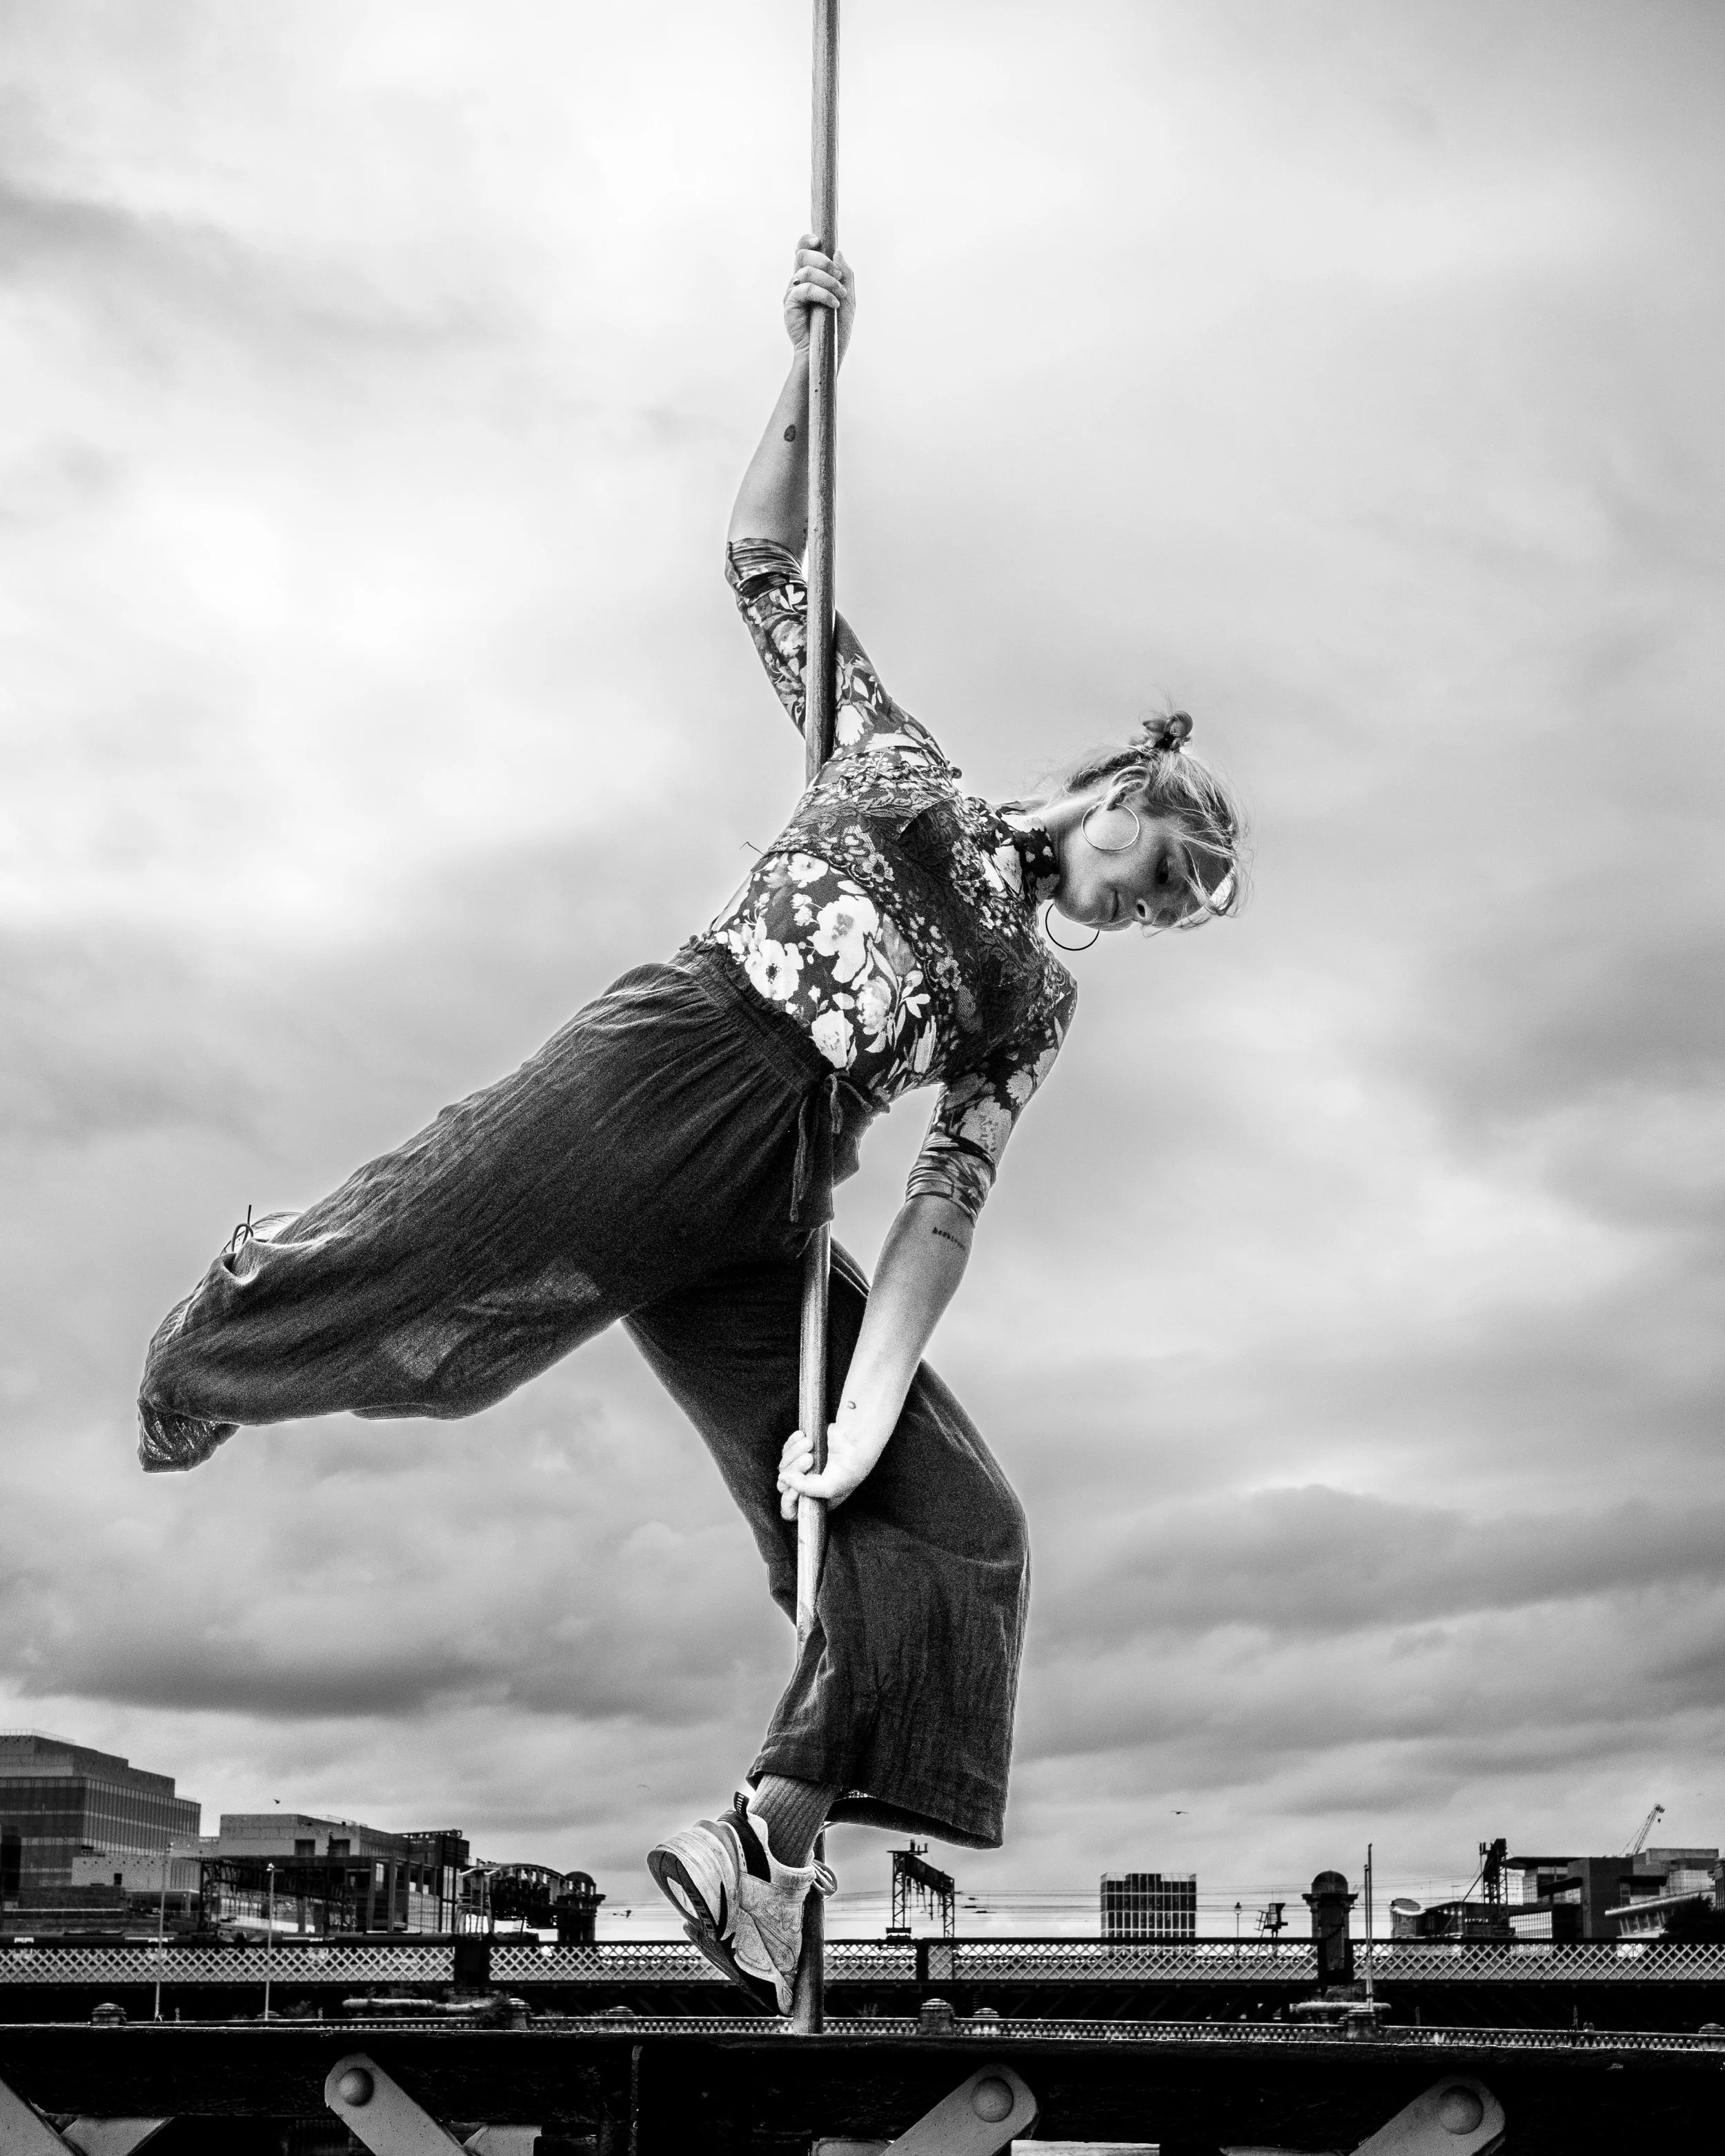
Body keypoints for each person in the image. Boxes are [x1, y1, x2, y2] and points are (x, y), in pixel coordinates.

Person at [136, 241, 1245, 2011]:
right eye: (1147, 871)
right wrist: (811, 374)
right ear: (1115, 787)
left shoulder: (1034, 999)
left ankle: (765, 1844)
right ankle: (221, 1339)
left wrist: (862, 1408)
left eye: (1163, 914)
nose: (1130, 909)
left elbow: (942, 1211)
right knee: (437, 1301)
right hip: (669, 1062)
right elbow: (759, 563)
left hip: (772, 1193)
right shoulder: (894, 763)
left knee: (957, 1521)